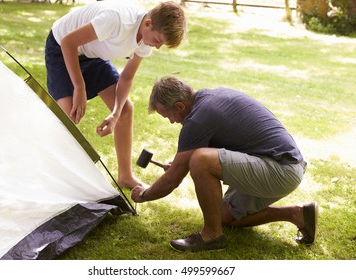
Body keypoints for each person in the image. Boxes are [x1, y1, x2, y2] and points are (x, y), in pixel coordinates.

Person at [131, 76, 318, 252]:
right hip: (284, 165)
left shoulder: (197, 119)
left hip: (281, 169)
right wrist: (180, 163)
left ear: (180, 106)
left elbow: (172, 180)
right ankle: (297, 214)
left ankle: (211, 236)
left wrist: (143, 195)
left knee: (200, 160)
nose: (171, 122)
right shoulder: (209, 99)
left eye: (168, 116)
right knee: (223, 216)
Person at [45, 1, 186, 189]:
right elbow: (68, 42)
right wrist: (79, 87)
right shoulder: (116, 20)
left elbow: (126, 78)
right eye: (158, 40)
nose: (157, 47)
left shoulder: (145, 41)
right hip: (62, 48)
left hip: (92, 54)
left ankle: (125, 176)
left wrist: (115, 113)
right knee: (68, 115)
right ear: (148, 23)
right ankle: (55, 175)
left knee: (125, 110)